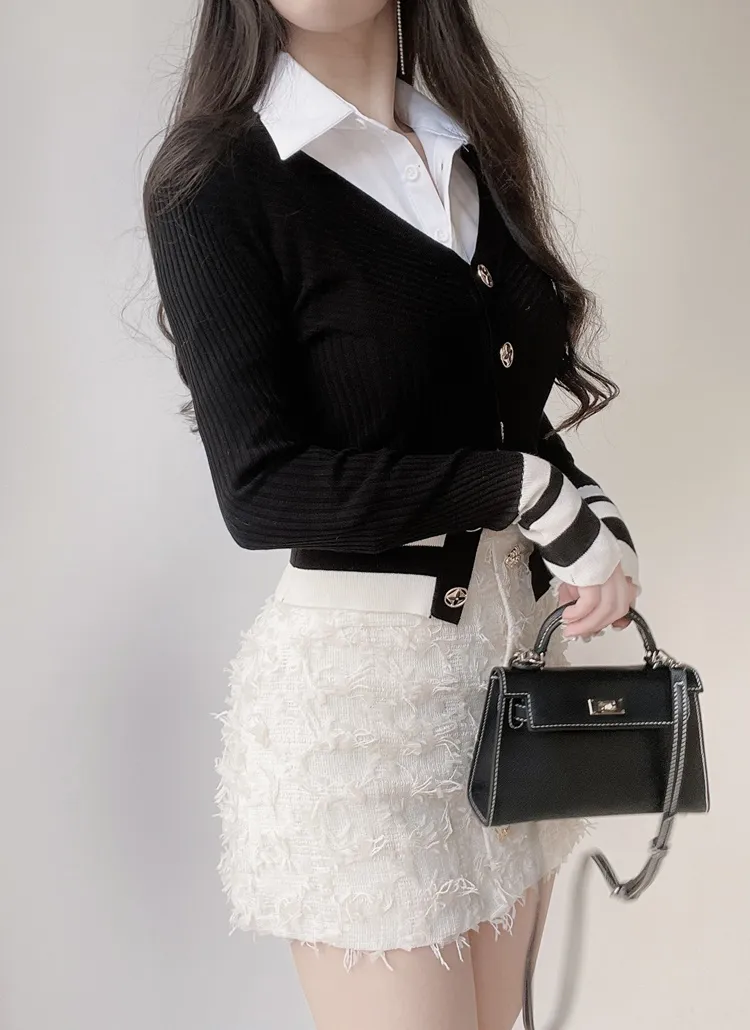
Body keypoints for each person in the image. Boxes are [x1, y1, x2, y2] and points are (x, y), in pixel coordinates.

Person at [143, 2, 639, 1028]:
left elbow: (502, 422)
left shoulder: (467, 147)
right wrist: (525, 492)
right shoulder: (216, 181)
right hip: (361, 729)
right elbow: (262, 488)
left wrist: (591, 514)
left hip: (515, 698)